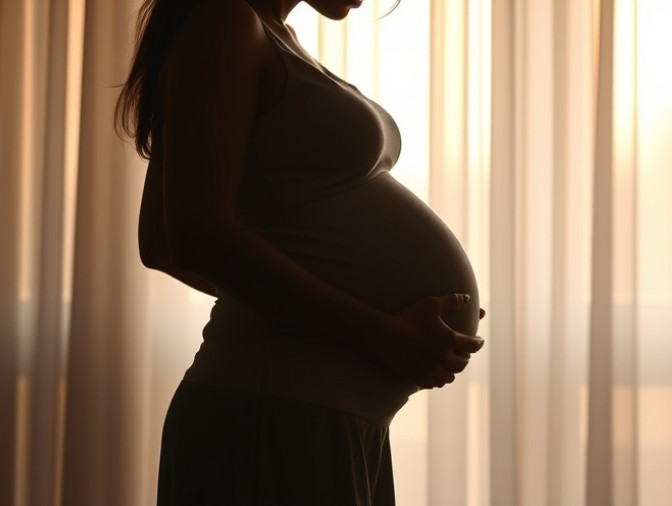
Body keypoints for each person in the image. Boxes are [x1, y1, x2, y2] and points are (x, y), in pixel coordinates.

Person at [115, 0, 485, 503]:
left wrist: (374, 318)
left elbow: (166, 241)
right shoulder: (225, 23)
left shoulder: (269, 34)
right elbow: (185, 237)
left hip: (318, 411)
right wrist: (377, 331)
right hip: (273, 411)